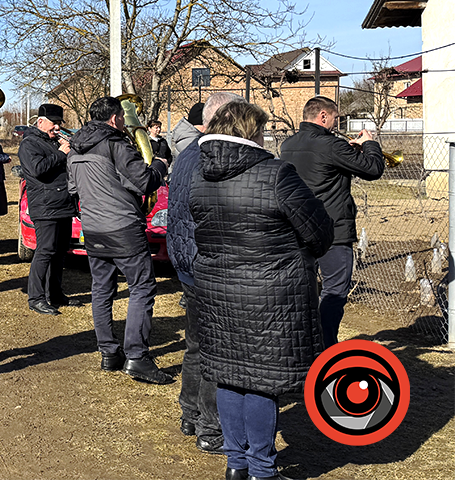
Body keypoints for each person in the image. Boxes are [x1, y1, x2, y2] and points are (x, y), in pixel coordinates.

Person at [191, 101, 333, 480]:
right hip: (271, 295)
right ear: (250, 133)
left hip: (217, 291)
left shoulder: (197, 176)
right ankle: (262, 470)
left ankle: (236, 464)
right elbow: (319, 233)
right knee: (261, 382)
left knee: (229, 374)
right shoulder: (276, 174)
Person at [68, 96, 171, 385]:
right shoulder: (116, 143)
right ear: (115, 119)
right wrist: (160, 165)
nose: (126, 122)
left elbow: (73, 189)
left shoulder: (74, 148)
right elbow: (144, 181)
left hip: (93, 228)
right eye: (124, 118)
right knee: (142, 288)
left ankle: (108, 353)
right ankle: (136, 357)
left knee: (101, 289)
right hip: (123, 228)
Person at [166, 92, 244, 457]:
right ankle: (211, 429)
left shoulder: (187, 154)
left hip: (186, 260)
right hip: (208, 265)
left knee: (197, 343)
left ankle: (189, 412)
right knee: (217, 350)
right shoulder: (212, 157)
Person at [279, 95, 385, 348]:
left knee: (301, 291)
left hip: (297, 228)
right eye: (335, 118)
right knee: (335, 289)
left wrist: (349, 154)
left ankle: (301, 343)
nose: (336, 123)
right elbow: (373, 170)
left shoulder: (288, 145)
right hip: (333, 230)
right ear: (323, 116)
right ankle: (326, 346)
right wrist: (370, 145)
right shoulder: (331, 144)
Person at [18, 104, 79, 315]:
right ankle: (35, 297)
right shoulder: (29, 144)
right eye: (54, 123)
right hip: (45, 207)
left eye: (60, 123)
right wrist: (61, 153)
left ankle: (55, 293)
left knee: (60, 252)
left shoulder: (53, 141)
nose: (58, 127)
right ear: (41, 121)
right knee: (44, 252)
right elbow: (37, 170)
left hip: (62, 204)